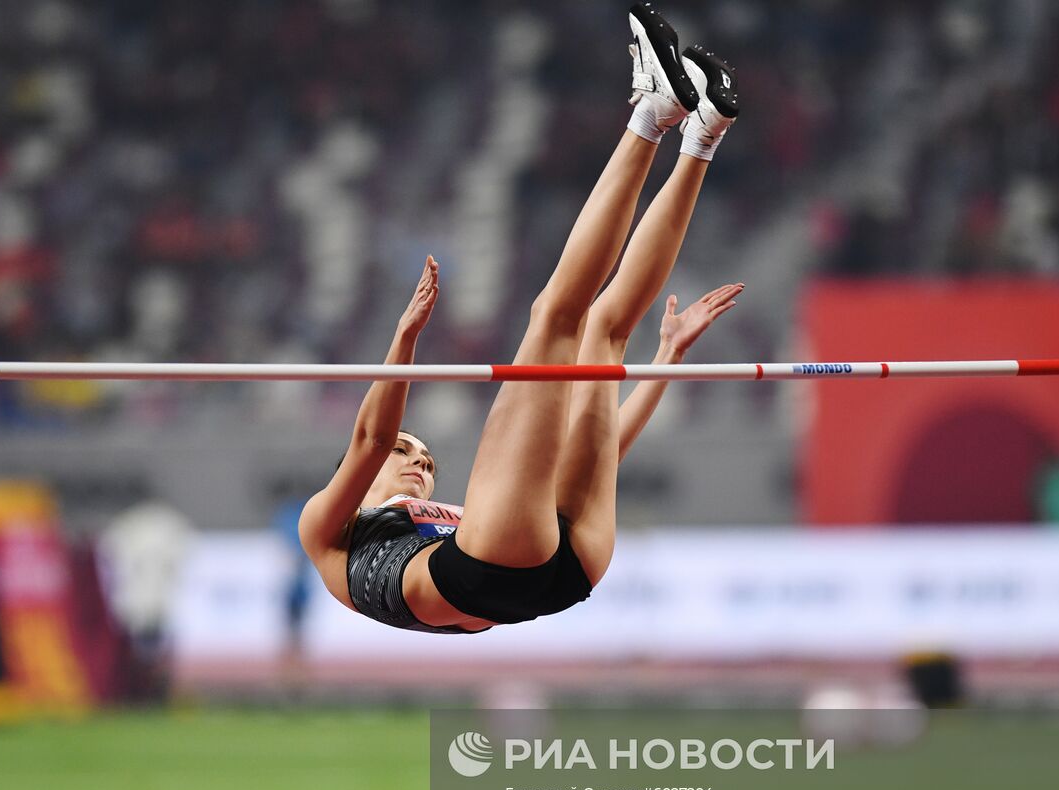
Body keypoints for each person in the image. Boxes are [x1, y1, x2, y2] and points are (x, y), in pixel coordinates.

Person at [300, 4, 743, 634]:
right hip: (524, 566)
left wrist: (660, 363)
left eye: (422, 458)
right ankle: (652, 113)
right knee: (556, 321)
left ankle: (703, 132)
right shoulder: (330, 529)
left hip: (534, 568)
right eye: (413, 453)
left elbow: (588, 459)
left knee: (601, 334)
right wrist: (404, 337)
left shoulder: (440, 519)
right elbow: (371, 440)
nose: (418, 464)